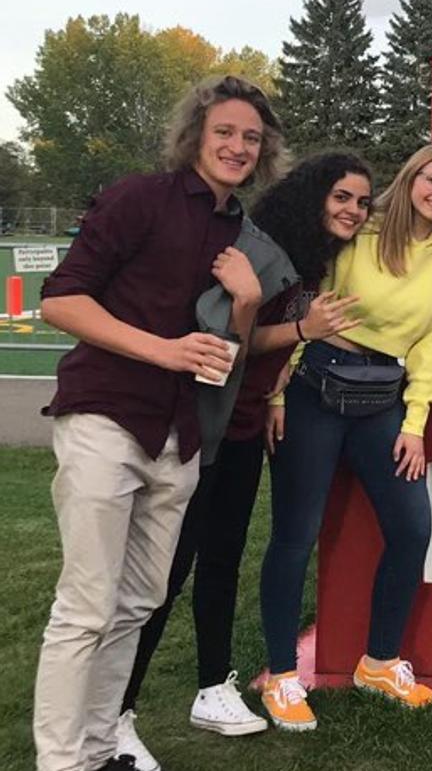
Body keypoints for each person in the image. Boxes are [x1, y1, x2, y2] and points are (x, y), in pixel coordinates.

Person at [33, 75, 285, 771]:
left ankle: (97, 747)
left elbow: (221, 364)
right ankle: (62, 761)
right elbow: (60, 300)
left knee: (138, 600)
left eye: (251, 138)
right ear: (197, 134)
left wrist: (246, 303)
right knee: (87, 604)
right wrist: (162, 350)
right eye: (225, 131)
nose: (237, 146)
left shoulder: (244, 237)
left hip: (182, 435)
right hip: (107, 415)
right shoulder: (138, 197)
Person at [112, 152, 373, 771]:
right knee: (166, 570)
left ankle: (211, 689)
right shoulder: (260, 248)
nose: (353, 211)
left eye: (362, 202)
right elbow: (231, 341)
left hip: (245, 423)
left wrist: (278, 389)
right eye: (342, 197)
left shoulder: (311, 256)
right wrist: (303, 331)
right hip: (202, 422)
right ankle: (115, 714)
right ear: (313, 196)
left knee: (224, 559)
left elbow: (271, 352)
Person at [259, 143, 432, 732]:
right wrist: (275, 394)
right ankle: (281, 677)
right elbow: (306, 303)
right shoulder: (358, 231)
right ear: (410, 177)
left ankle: (379, 663)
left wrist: (416, 424)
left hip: (383, 400)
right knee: (295, 536)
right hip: (314, 390)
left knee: (412, 528)